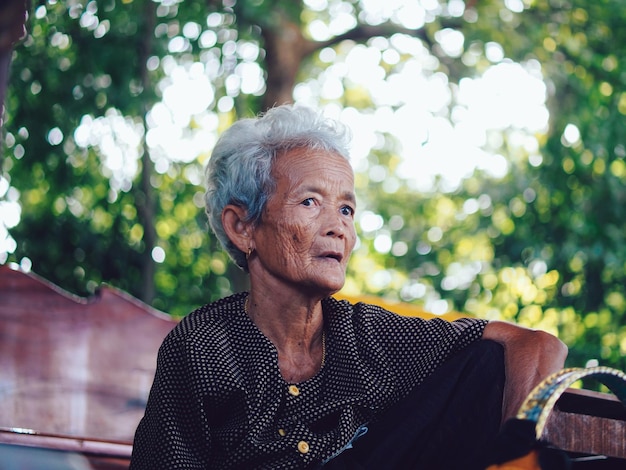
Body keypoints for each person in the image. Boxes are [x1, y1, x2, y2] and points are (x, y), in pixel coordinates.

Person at [130, 104, 567, 469]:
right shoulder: (201, 348)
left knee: (486, 359)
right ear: (242, 226)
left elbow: (537, 345)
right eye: (310, 202)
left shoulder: (370, 335)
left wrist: (519, 447)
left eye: (346, 209)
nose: (337, 227)